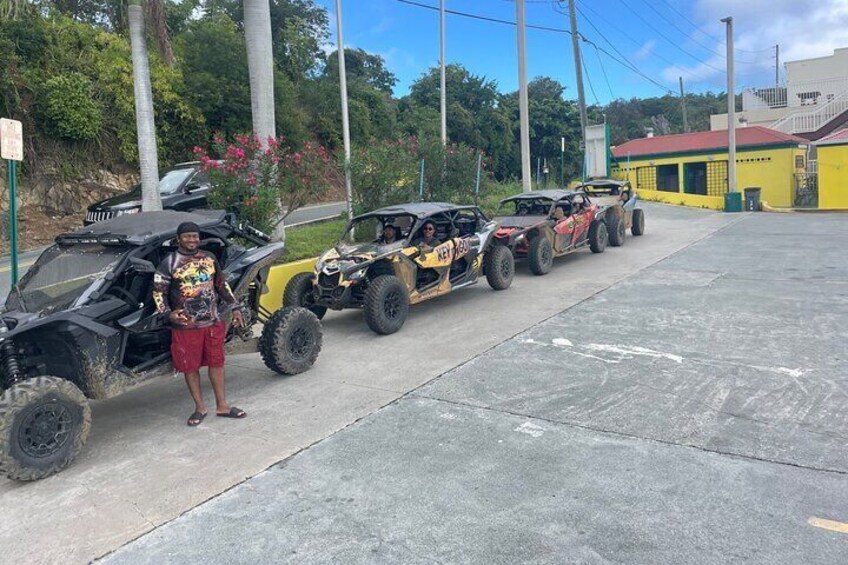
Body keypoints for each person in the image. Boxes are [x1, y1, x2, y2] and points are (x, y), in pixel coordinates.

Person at [153, 221, 246, 427]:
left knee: (217, 363)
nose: (192, 240)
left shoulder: (209, 258)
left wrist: (236, 307)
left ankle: (222, 405)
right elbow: (158, 293)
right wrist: (168, 314)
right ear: (178, 239)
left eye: (195, 236)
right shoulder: (169, 263)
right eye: (187, 236)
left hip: (212, 322)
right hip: (186, 327)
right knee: (190, 367)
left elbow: (222, 285)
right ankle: (200, 408)